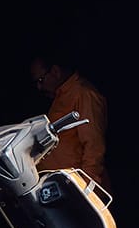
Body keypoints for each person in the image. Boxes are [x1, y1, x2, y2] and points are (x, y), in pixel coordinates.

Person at [30, 51, 110, 189]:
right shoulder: (60, 97)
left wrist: (87, 189)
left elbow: (93, 146)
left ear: (55, 71)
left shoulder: (83, 94)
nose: (39, 87)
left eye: (41, 80)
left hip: (76, 187)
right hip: (58, 186)